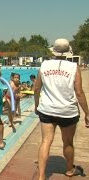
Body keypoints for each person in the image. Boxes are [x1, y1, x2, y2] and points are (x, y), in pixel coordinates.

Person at [34, 38, 89, 179]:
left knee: (46, 141)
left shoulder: (44, 65)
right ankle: (70, 170)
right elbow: (79, 92)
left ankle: (41, 176)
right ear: (68, 51)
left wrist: (36, 106)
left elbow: (36, 88)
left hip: (47, 110)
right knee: (68, 142)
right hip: (67, 111)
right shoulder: (73, 67)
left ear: (54, 50)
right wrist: (87, 113)